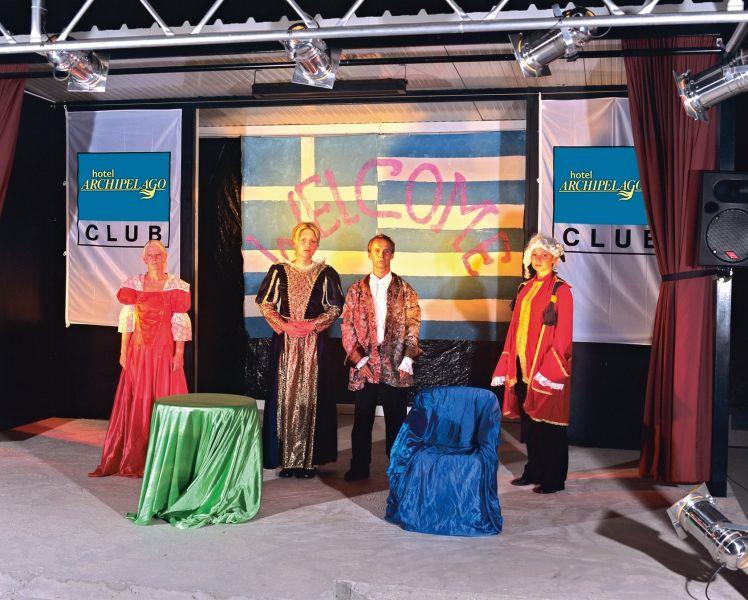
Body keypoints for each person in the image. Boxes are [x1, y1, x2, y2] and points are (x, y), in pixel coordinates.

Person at [90, 240, 191, 477]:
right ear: (144, 259)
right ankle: (135, 456)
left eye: (158, 254)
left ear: (165, 257)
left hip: (165, 352)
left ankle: (166, 460)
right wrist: (123, 352)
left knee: (166, 399)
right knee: (139, 400)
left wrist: (179, 353)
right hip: (139, 352)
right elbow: (127, 320)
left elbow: (180, 321)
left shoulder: (177, 286)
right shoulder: (133, 286)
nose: (154, 258)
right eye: (150, 255)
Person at [255, 222, 344, 478]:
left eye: (312, 240)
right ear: (294, 241)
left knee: (311, 397)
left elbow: (335, 308)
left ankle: (308, 461)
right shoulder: (279, 271)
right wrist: (284, 325)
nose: (308, 244)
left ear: (317, 244)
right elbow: (266, 304)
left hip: (314, 344)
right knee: (285, 396)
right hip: (286, 344)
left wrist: (312, 325)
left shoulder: (326, 273)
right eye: (303, 239)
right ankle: (286, 459)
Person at [491, 233, 573, 494]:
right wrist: (508, 362)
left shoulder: (561, 290)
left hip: (547, 369)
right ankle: (534, 470)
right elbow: (515, 328)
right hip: (522, 367)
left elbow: (563, 335)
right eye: (535, 255)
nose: (538, 259)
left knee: (550, 425)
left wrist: (550, 371)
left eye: (544, 255)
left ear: (554, 259)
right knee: (530, 426)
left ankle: (553, 479)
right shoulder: (524, 288)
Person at [341, 234, 422, 482]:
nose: (381, 255)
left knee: (396, 419)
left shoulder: (405, 290)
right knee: (362, 417)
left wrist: (407, 360)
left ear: (392, 255)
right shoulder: (356, 290)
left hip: (394, 364)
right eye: (376, 250)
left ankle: (398, 468)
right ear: (369, 254)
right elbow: (347, 326)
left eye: (386, 251)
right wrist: (359, 360)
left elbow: (413, 324)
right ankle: (359, 466)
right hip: (365, 364)